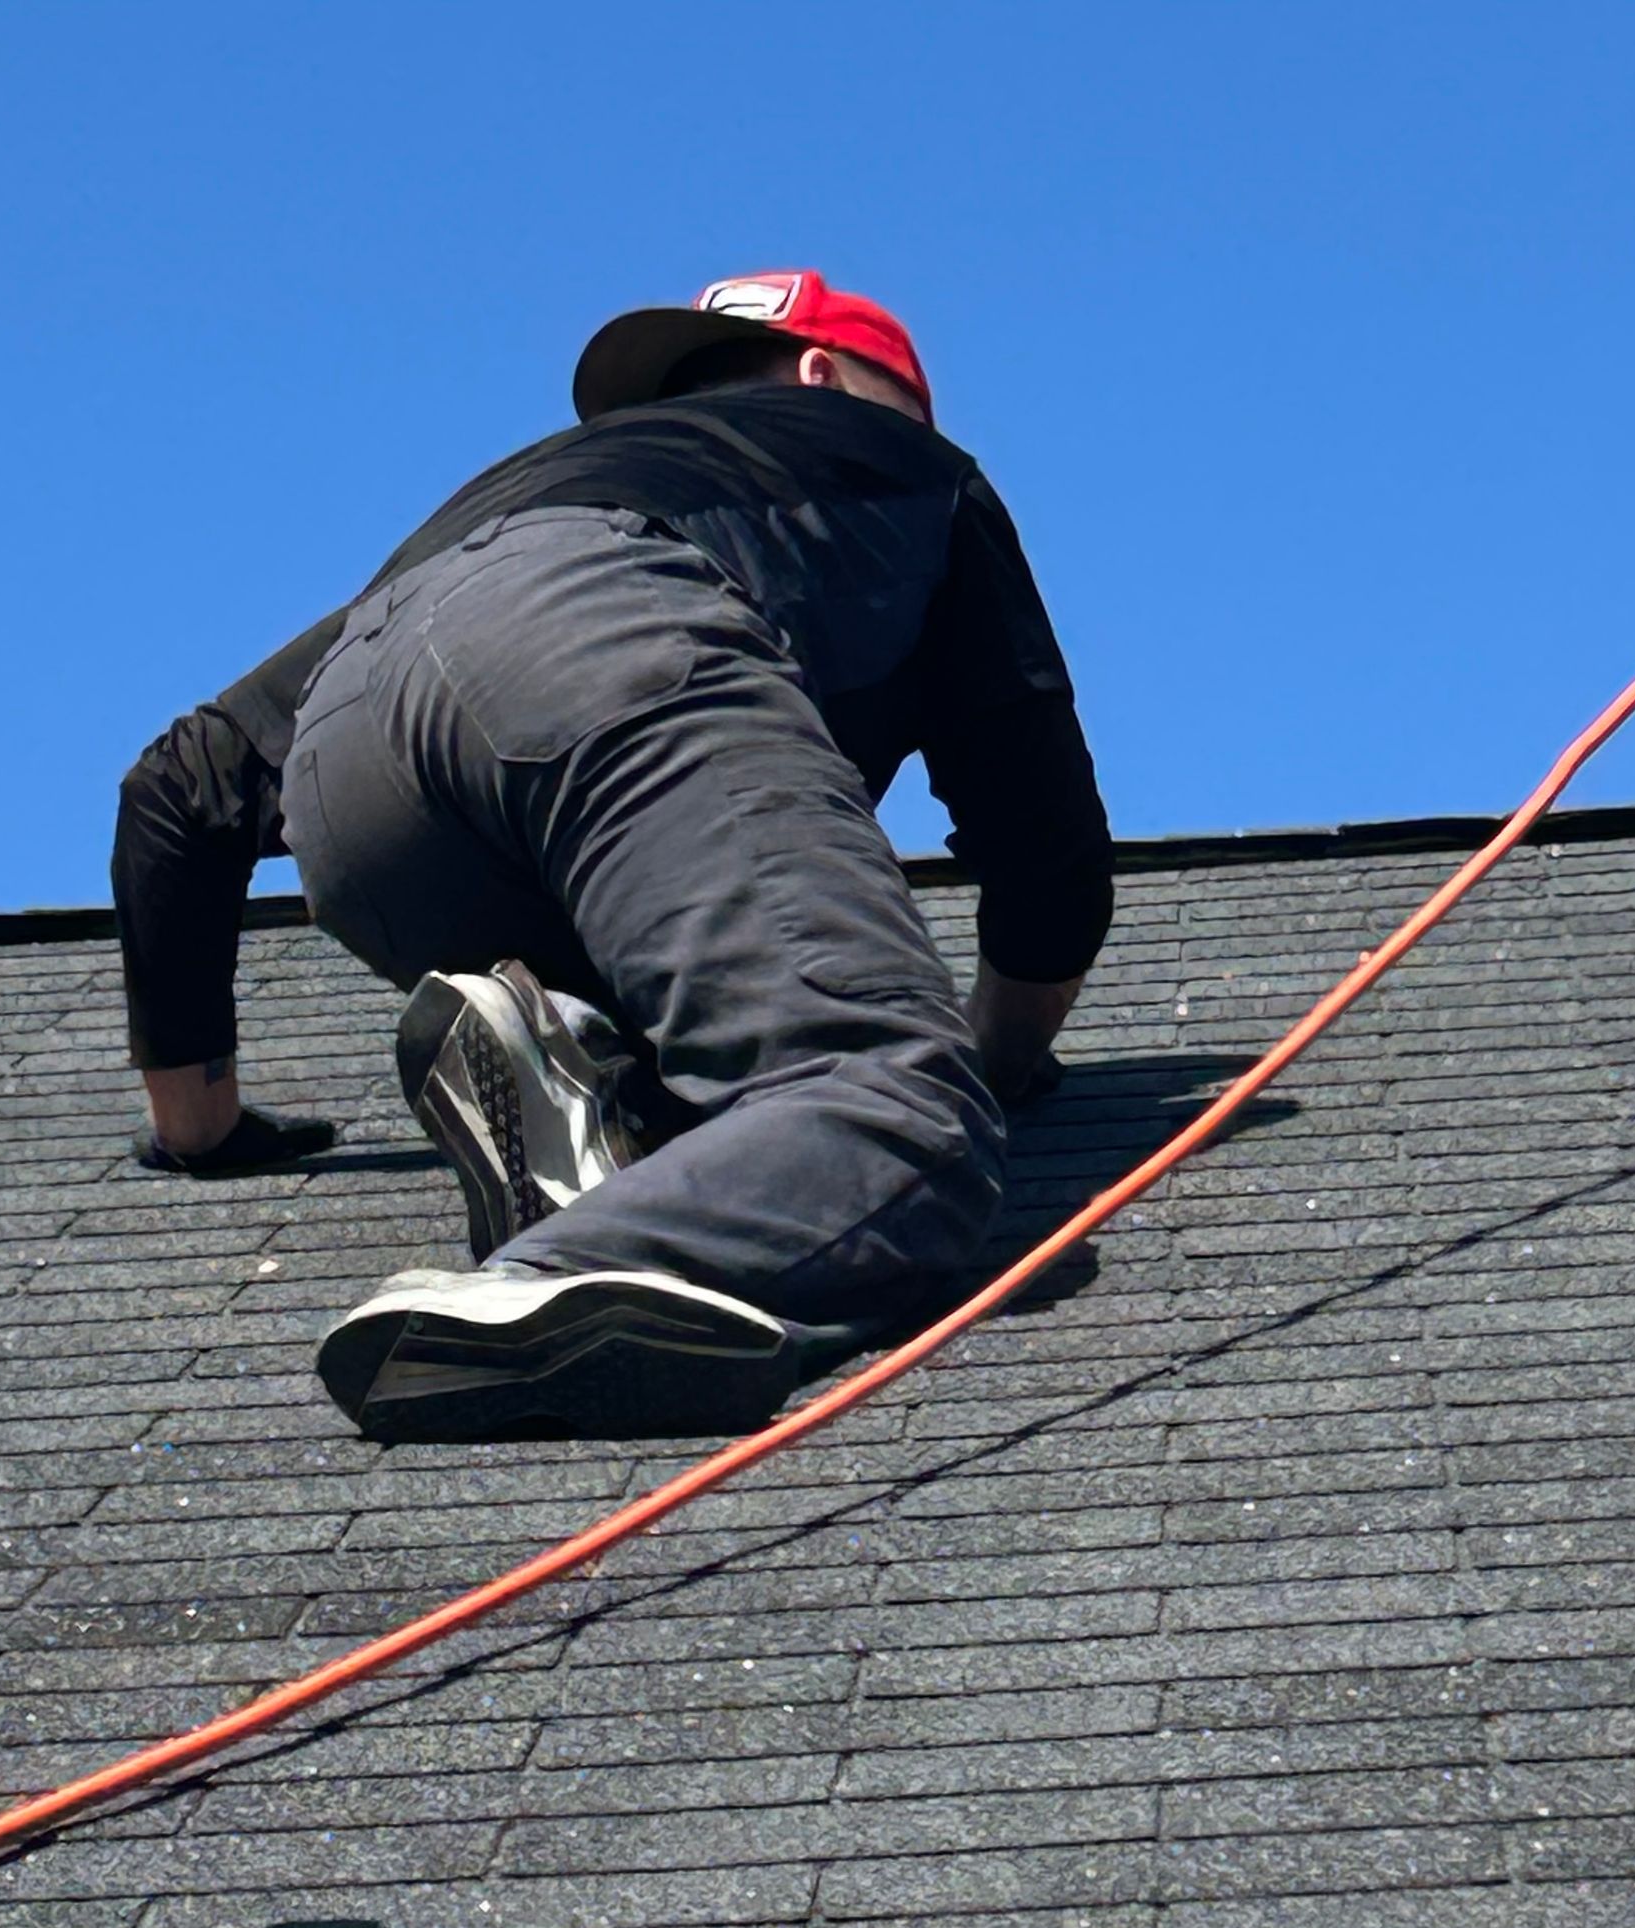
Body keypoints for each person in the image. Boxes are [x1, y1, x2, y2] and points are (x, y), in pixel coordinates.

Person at [111, 271, 1114, 1442]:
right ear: (823, 378)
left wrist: (205, 1135)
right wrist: (986, 1066)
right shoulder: (899, 462)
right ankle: (535, 1289)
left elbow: (174, 793)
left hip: (358, 756)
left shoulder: (540, 491)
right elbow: (1040, 846)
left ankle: (581, 1078)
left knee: (708, 1043)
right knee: (894, 1112)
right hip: (596, 641)